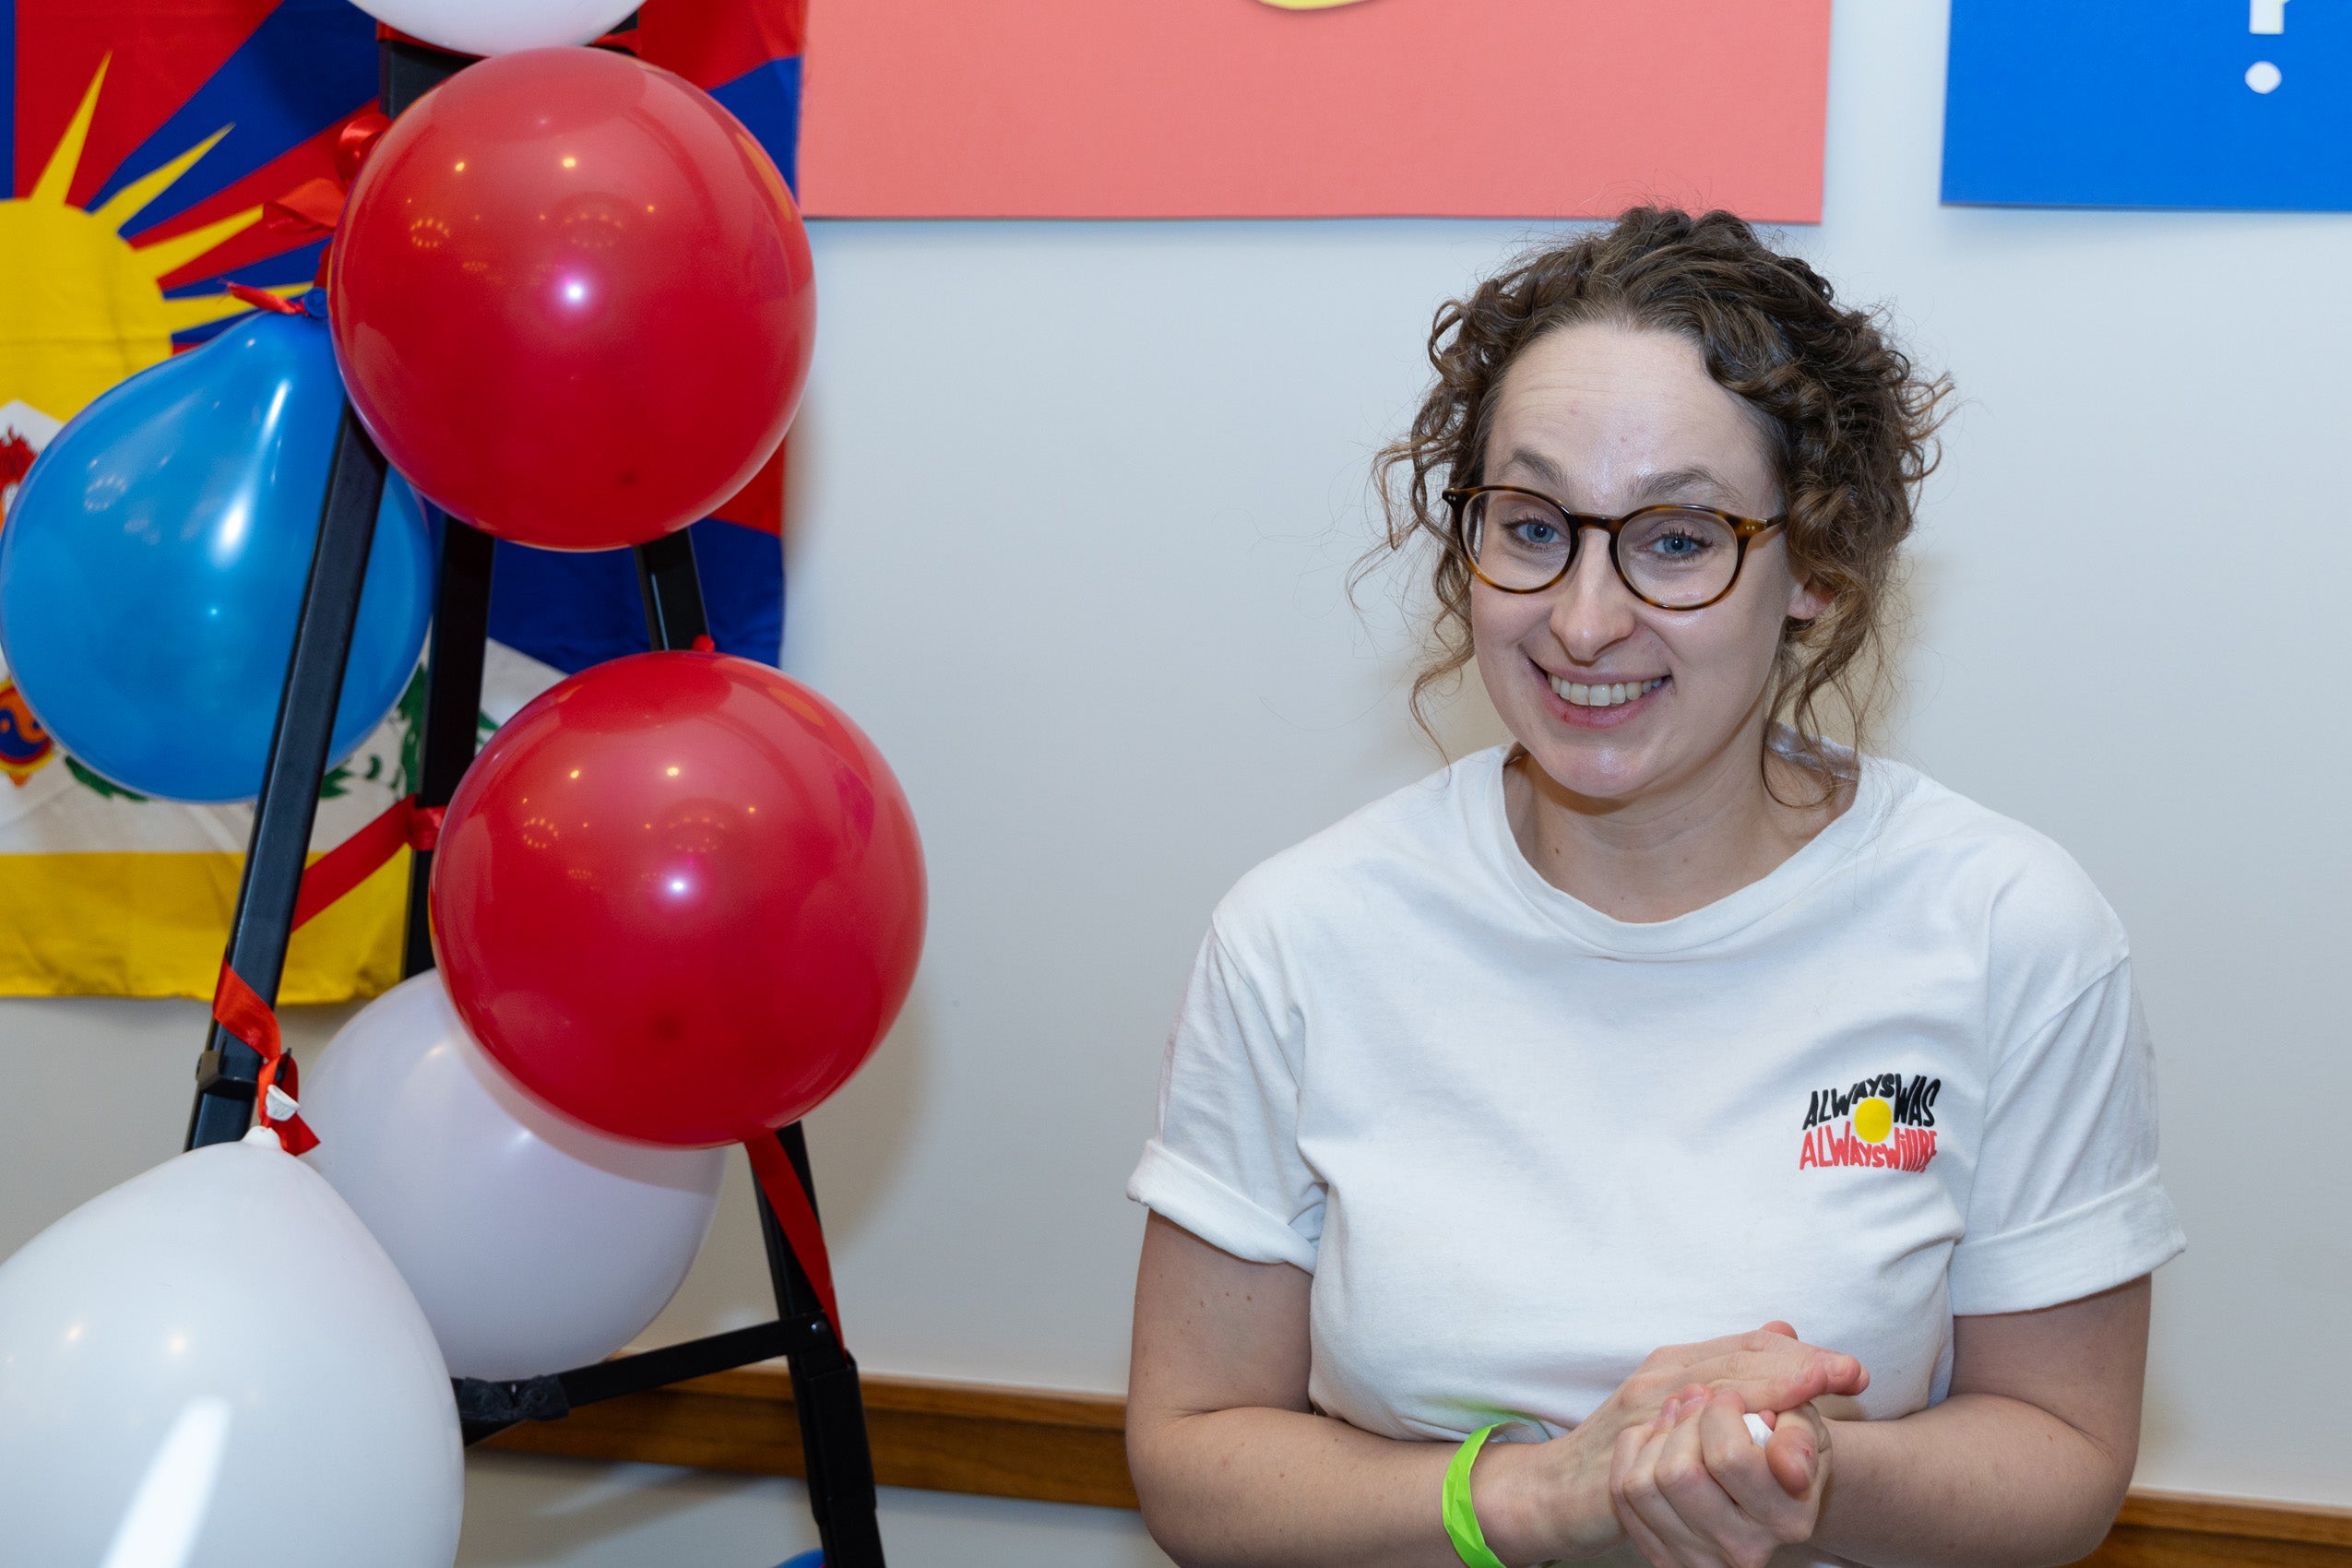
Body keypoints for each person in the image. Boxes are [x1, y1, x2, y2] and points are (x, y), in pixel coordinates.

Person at [1123, 208, 2184, 1568]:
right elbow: (1194, 1456)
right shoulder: (1302, 933)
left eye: (1676, 539)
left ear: (1813, 570)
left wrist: (1779, 1468)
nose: (1580, 620)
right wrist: (1538, 1494)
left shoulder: (2004, 928)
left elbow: (2061, 1459)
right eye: (1531, 525)